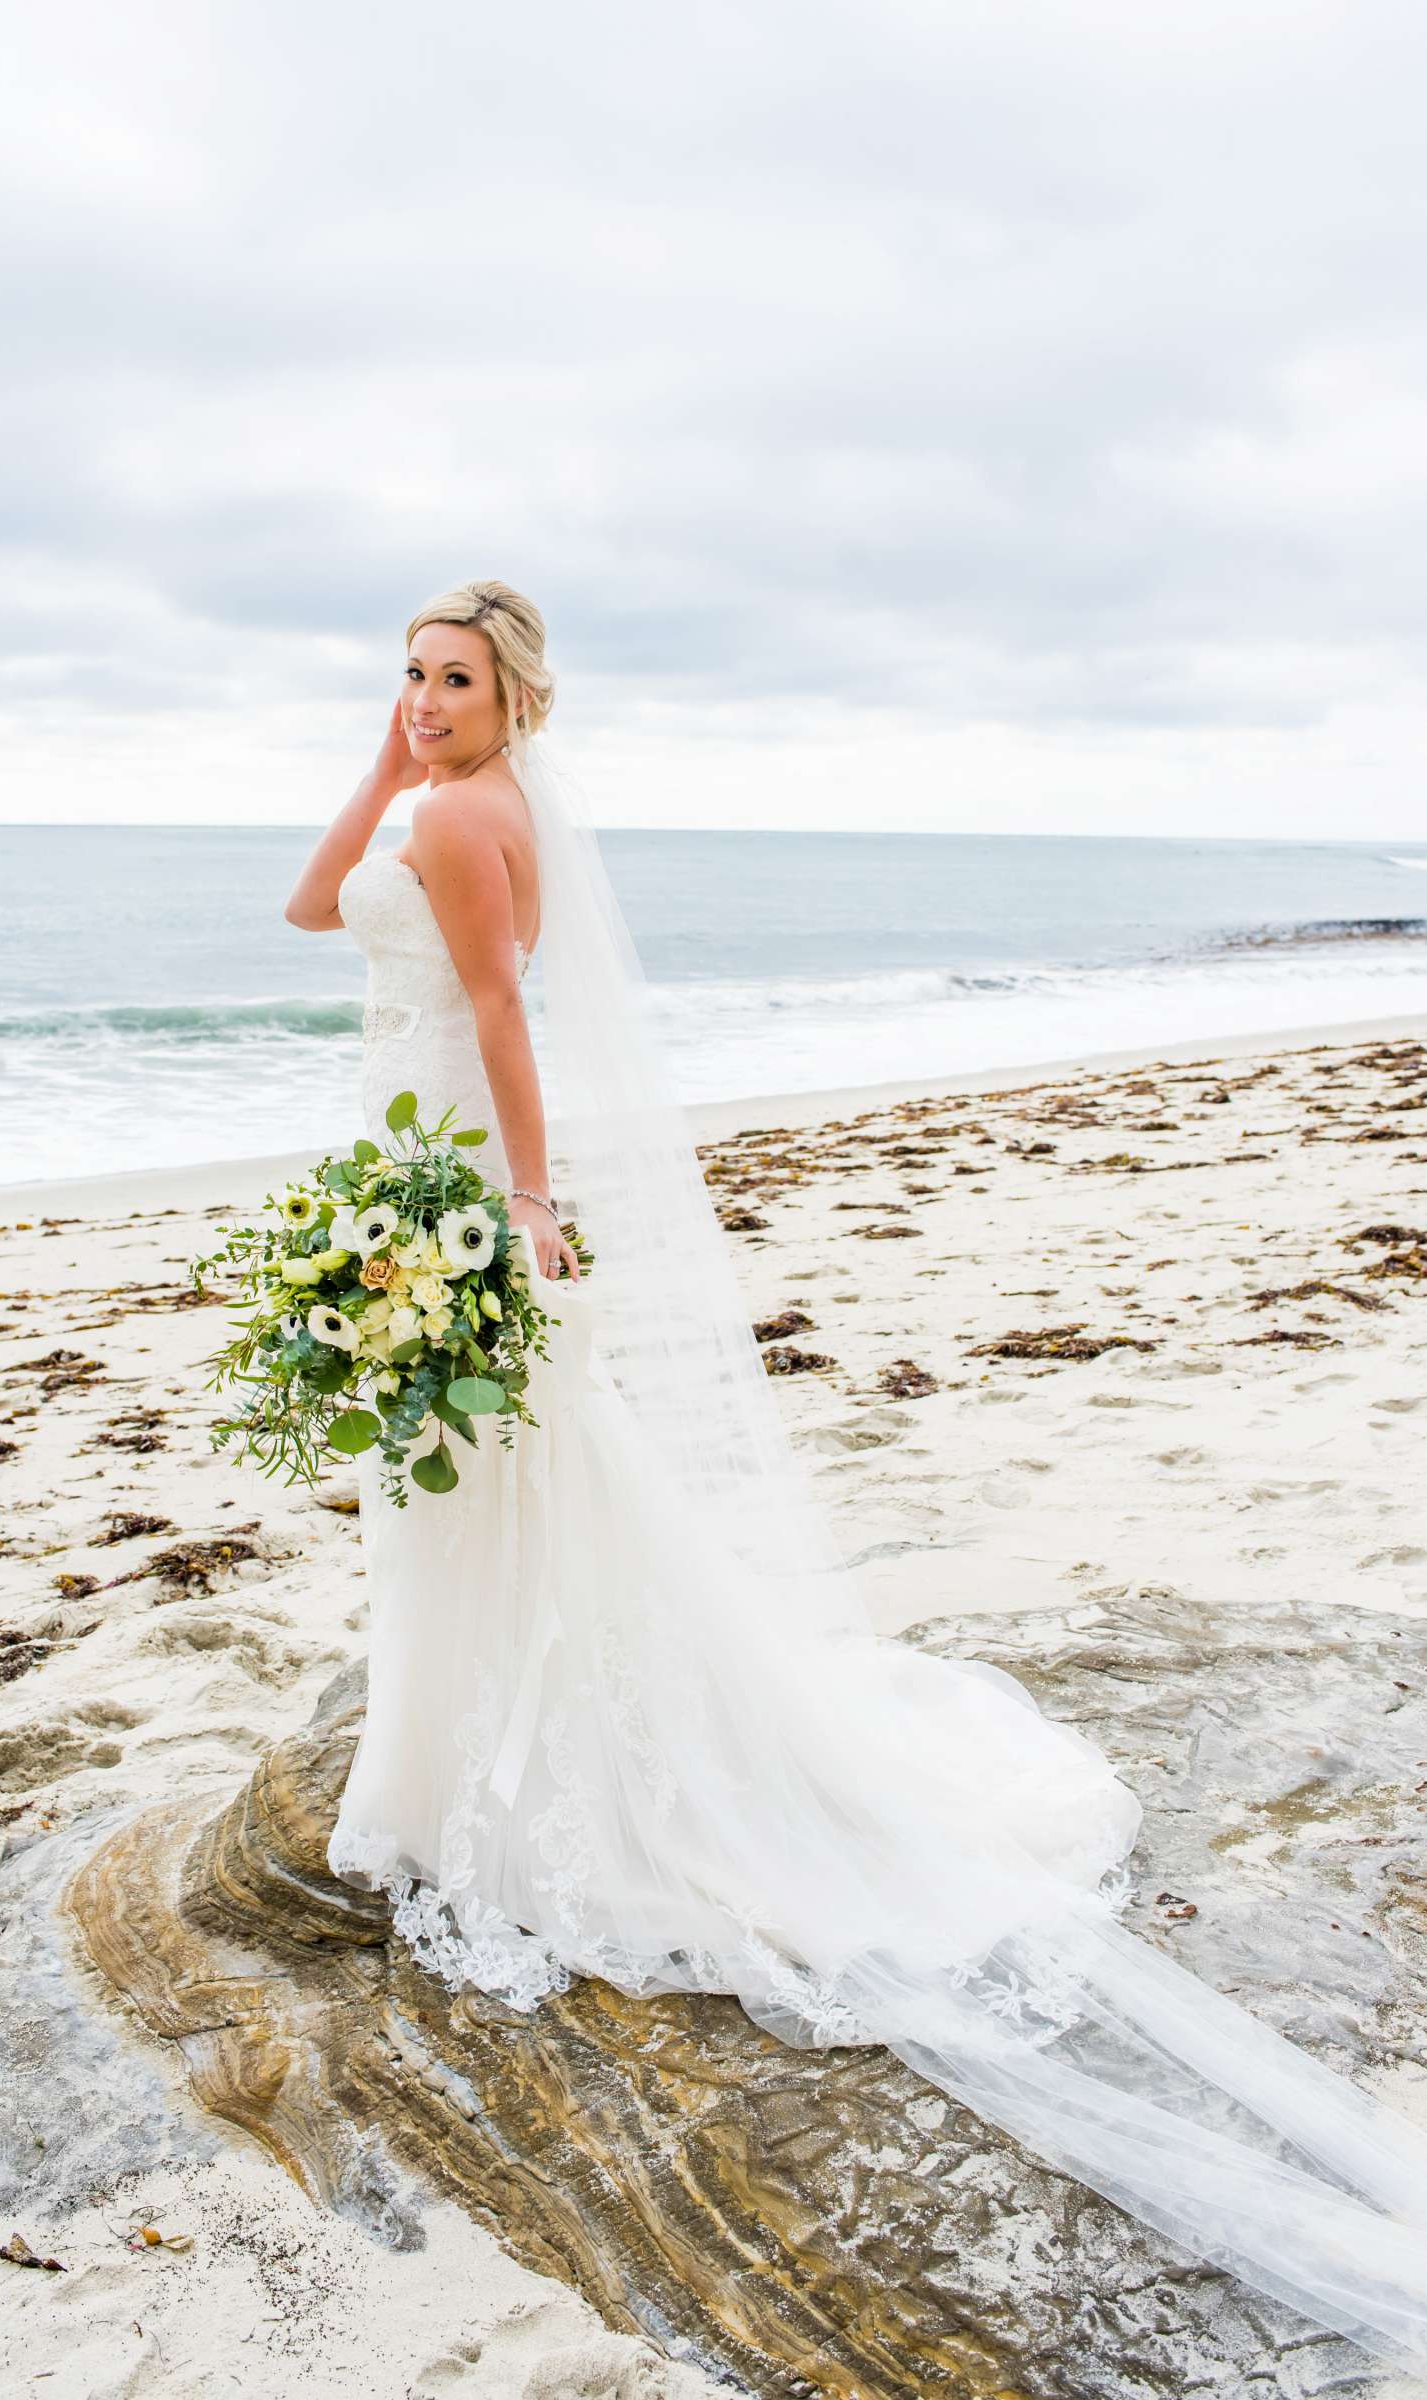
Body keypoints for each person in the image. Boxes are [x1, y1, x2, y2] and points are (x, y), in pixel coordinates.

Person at [286, 578, 1427, 2373]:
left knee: (499, 1469)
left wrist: (519, 1209)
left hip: (449, 1176)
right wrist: (384, 748)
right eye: (412, 676)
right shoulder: (424, 792)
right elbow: (302, 906)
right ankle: (451, 1743)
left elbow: (502, 1020)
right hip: (388, 1160)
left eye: (456, 682)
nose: (426, 702)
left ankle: (482, 1756)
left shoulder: (474, 816)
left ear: (520, 701)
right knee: (456, 1479)